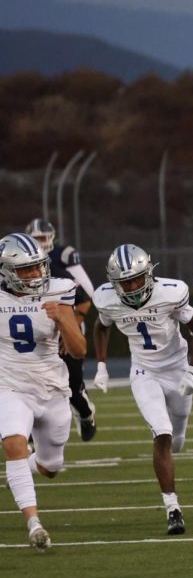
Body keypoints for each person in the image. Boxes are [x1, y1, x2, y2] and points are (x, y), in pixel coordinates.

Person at [93, 244, 193, 535]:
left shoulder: (170, 292)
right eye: (125, 282)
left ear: (149, 274)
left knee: (178, 432)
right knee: (162, 433)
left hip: (177, 366)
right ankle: (173, 508)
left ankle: (175, 437)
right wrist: (102, 366)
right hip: (144, 371)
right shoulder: (107, 299)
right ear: (113, 282)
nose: (132, 287)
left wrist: (192, 370)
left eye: (136, 279)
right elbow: (101, 327)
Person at [0, 233, 87, 549]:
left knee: (51, 467)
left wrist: (64, 320)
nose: (35, 275)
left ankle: (25, 469)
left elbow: (79, 350)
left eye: (37, 267)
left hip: (51, 389)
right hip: (10, 387)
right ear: (7, 271)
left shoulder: (60, 290)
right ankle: (34, 524)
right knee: (13, 444)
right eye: (26, 270)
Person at [25, 218, 98, 442]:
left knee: (72, 386)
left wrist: (69, 328)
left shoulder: (59, 273)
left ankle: (85, 414)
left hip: (63, 328)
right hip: (34, 335)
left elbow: (85, 299)